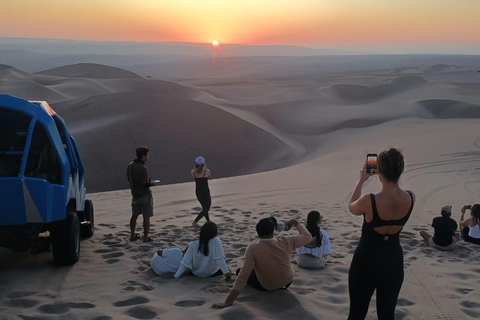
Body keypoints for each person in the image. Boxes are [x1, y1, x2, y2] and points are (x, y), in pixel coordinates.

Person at [347, 148, 415, 320]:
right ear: (402, 170)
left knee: (357, 313)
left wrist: (362, 180)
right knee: (387, 315)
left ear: (378, 171)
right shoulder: (410, 197)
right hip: (393, 262)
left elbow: (351, 206)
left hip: (365, 262)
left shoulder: (369, 200)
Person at [211, 217, 312, 309]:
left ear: (258, 233)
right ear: (273, 232)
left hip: (267, 286)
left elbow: (243, 276)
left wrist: (228, 302)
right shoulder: (287, 241)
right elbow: (308, 237)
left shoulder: (252, 248)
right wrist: (295, 223)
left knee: (239, 271)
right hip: (287, 282)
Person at [127, 146, 156, 242]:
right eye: (147, 155)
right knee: (146, 217)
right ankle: (145, 237)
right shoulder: (143, 168)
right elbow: (144, 184)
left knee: (134, 216)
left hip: (135, 195)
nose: (148, 156)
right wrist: (151, 183)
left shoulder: (130, 166)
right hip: (144, 195)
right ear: (143, 156)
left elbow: (128, 178)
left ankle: (132, 235)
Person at [191, 156, 211, 226]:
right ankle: (195, 221)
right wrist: (205, 168)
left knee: (204, 207)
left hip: (198, 192)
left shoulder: (193, 172)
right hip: (205, 191)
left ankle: (208, 221)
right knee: (207, 207)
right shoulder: (207, 171)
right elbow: (209, 176)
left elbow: (196, 176)